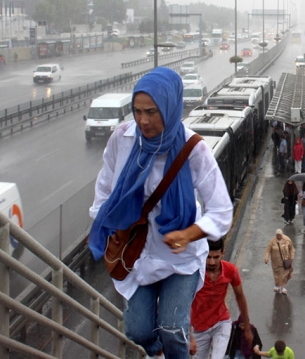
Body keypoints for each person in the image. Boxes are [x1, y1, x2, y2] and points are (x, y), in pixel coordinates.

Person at [88, 67, 233, 359]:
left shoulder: (194, 149)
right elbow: (104, 188)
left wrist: (188, 234)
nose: (143, 120)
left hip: (180, 258)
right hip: (138, 254)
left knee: (171, 327)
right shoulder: (123, 139)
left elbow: (221, 210)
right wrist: (107, 225)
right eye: (137, 111)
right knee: (139, 332)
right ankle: (159, 353)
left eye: (152, 112)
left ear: (169, 106)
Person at [191, 239, 253, 359]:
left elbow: (240, 297)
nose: (212, 262)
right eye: (208, 257)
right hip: (199, 327)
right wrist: (188, 334)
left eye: (216, 257)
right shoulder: (195, 272)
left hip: (221, 322)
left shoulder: (230, 270)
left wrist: (247, 326)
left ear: (223, 254)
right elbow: (185, 302)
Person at [264, 229, 295, 294]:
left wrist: (292, 257)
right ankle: (277, 286)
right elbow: (268, 250)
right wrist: (266, 258)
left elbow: (292, 249)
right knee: (276, 274)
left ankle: (283, 287)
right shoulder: (272, 241)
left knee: (284, 275)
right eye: (277, 235)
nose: (278, 237)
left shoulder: (287, 240)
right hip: (275, 262)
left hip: (284, 261)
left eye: (279, 235)